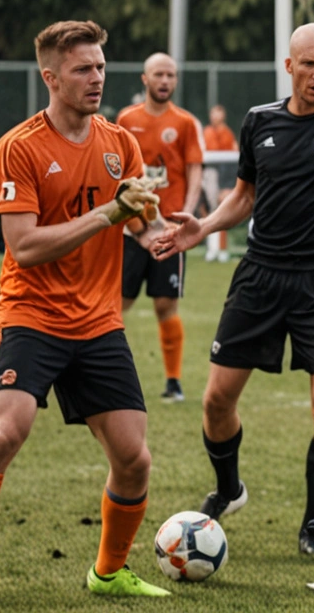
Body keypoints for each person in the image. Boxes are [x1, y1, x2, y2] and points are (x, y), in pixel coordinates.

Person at [0, 20, 170, 603]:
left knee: (134, 458)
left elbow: (139, 220)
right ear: (50, 76)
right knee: (6, 432)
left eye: (101, 67)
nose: (96, 78)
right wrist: (111, 214)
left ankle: (108, 572)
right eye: (83, 69)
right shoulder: (20, 146)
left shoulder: (119, 143)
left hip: (99, 321)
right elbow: (25, 246)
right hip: (30, 314)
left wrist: (160, 230)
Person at [152, 23, 314, 557]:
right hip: (260, 274)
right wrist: (204, 225)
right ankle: (228, 489)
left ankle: (313, 525)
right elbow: (244, 197)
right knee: (217, 400)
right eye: (310, 64)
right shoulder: (259, 121)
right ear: (289, 67)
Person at [116, 54, 204, 402]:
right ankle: (113, 377)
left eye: (170, 75)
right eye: (158, 74)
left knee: (166, 305)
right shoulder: (126, 118)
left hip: (169, 230)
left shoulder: (185, 123)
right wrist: (138, 226)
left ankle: (173, 381)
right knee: (115, 305)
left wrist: (187, 212)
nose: (165, 80)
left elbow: (194, 170)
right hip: (133, 229)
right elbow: (118, 172)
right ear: (145, 79)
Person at [201, 104, 238, 262]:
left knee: (222, 211)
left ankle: (222, 249)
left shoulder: (228, 135)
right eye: (213, 114)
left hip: (223, 178)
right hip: (208, 175)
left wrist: (228, 186)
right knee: (208, 211)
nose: (215, 117)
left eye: (218, 114)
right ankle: (212, 248)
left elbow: (231, 162)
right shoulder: (206, 132)